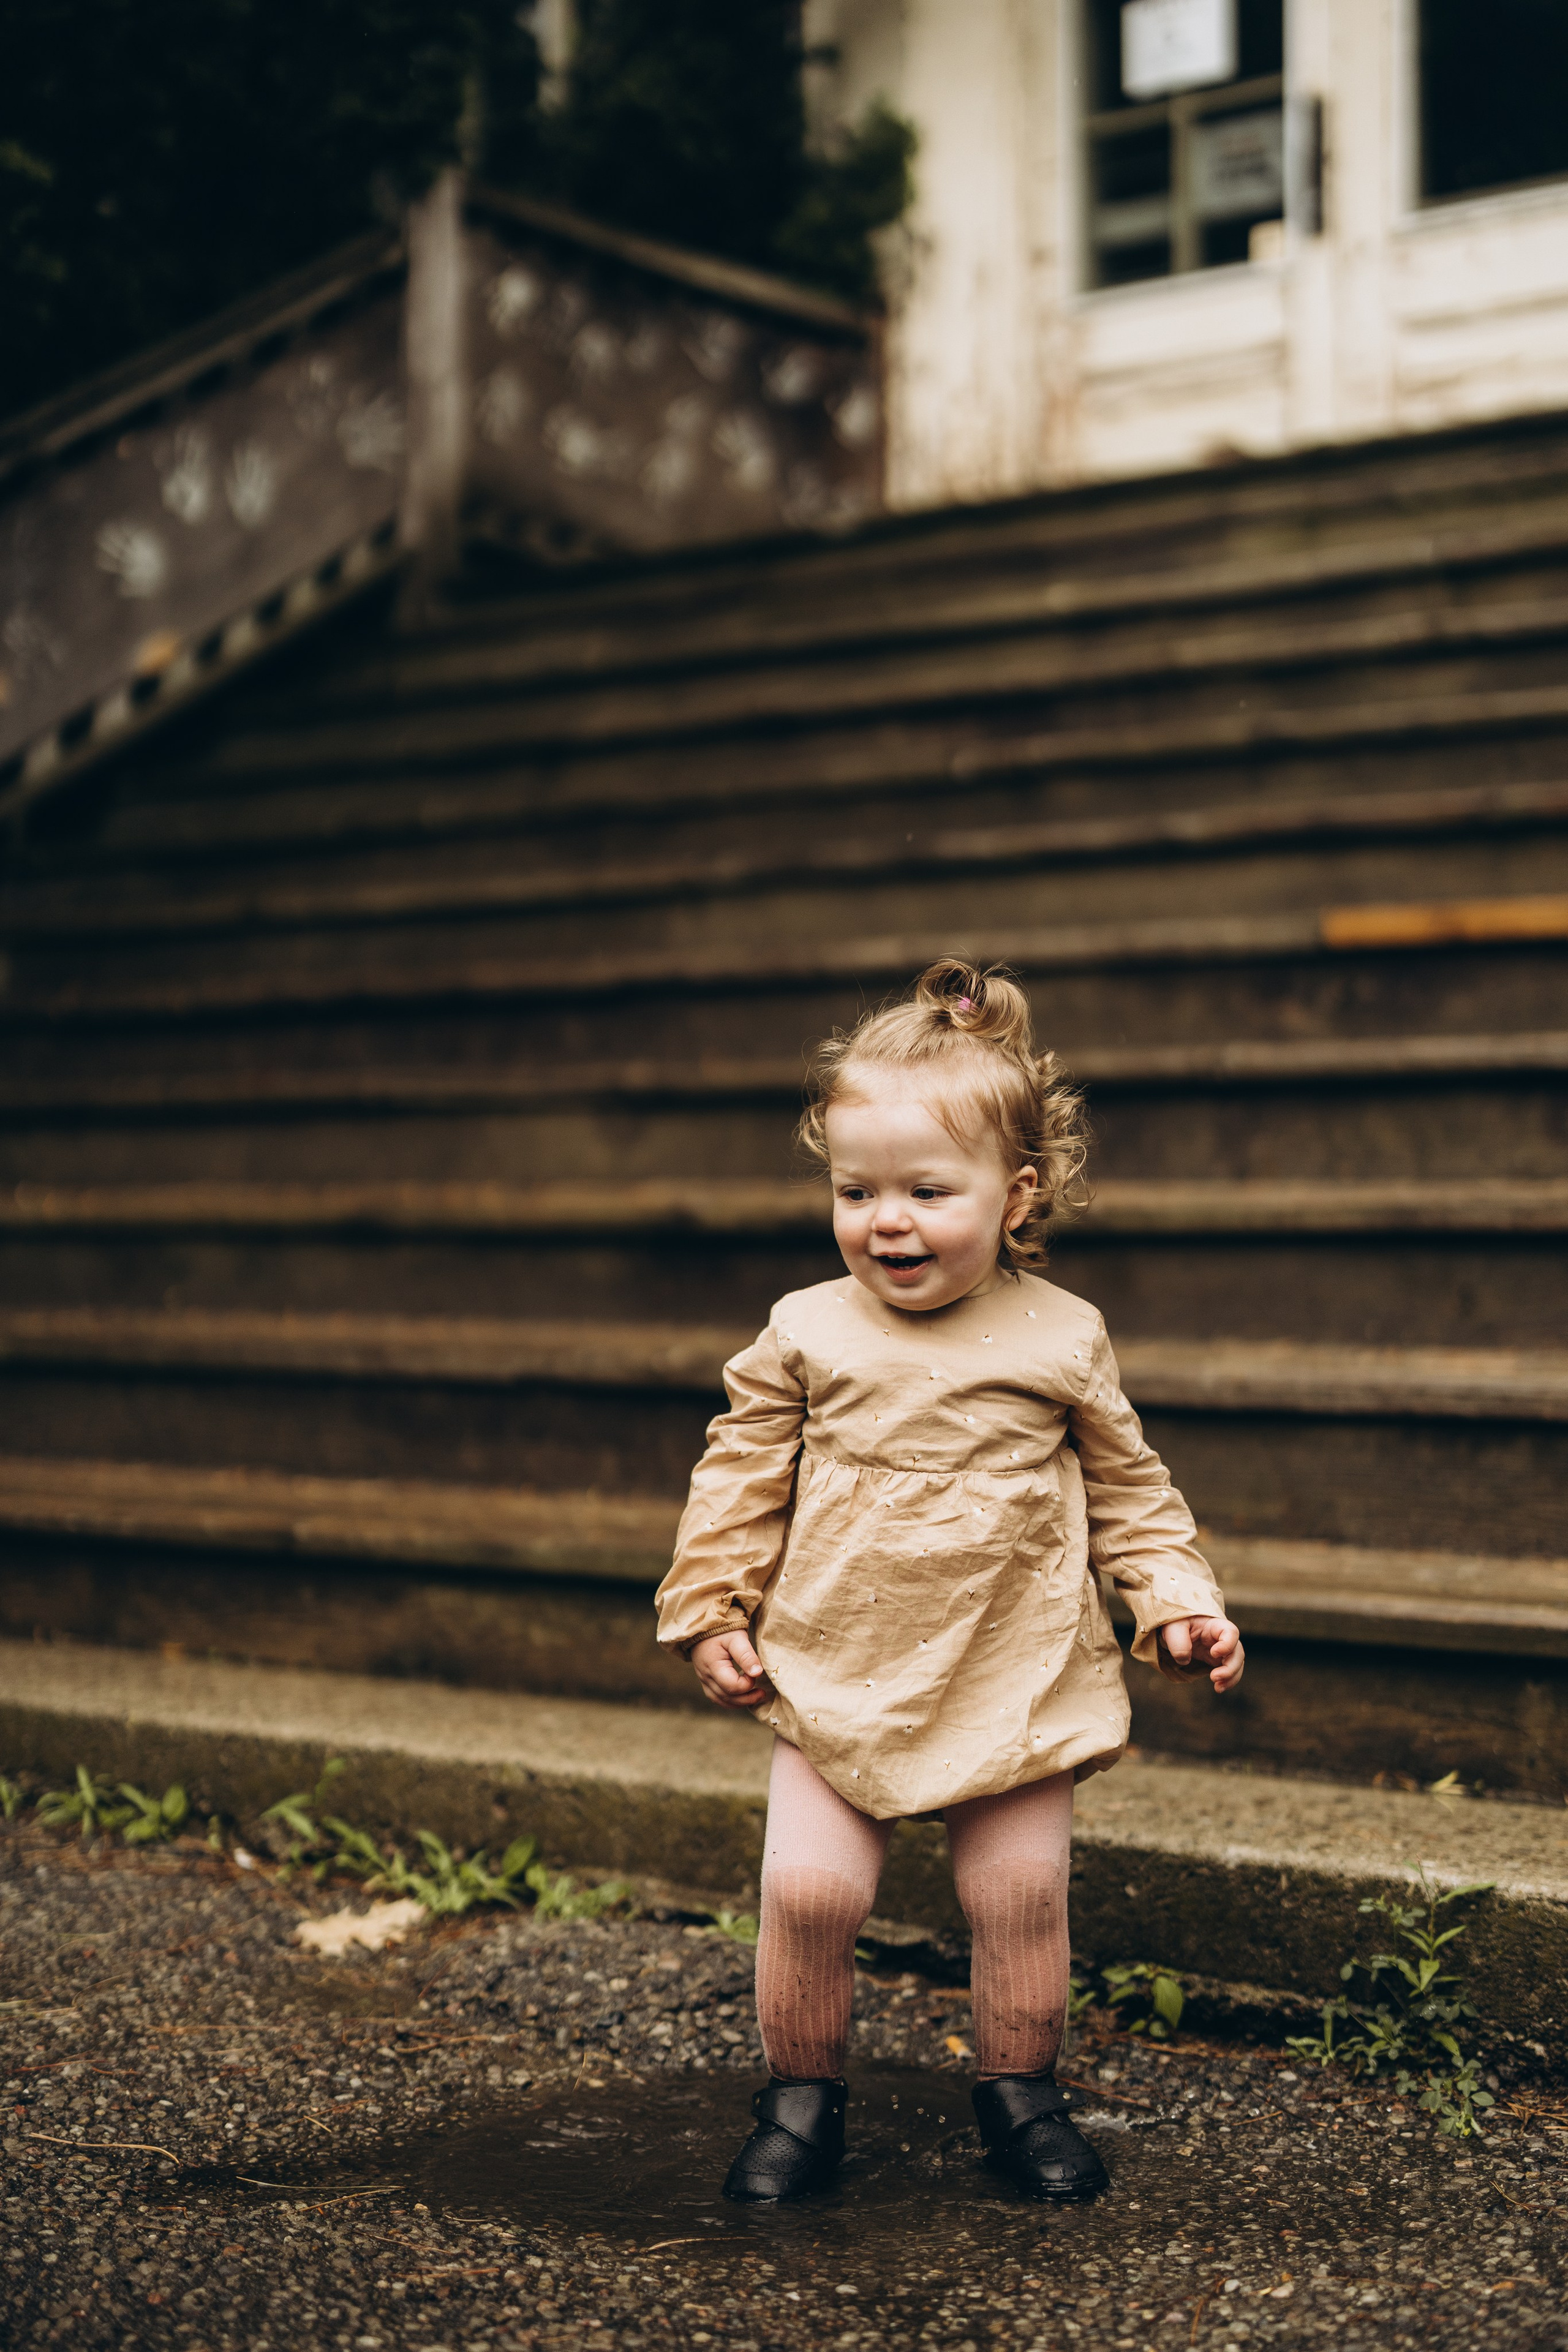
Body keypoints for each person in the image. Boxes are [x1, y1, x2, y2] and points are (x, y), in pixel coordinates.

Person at [654, 958, 1244, 2204]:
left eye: (927, 1190)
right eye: (853, 1190)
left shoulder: (1061, 1336)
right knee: (811, 1894)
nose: (887, 1220)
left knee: (1017, 1896)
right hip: (837, 1655)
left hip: (1011, 1667)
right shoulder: (806, 1329)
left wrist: (1176, 1600)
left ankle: (1017, 2095)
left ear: (1014, 1192)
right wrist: (710, 1608)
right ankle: (800, 2102)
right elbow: (739, 1475)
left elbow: (1131, 1494)